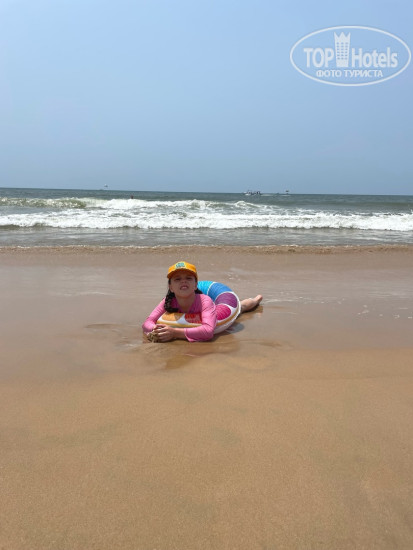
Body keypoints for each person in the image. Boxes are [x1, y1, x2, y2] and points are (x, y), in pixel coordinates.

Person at [142, 261, 262, 343]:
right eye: (177, 279)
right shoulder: (167, 301)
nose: (183, 281)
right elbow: (147, 322)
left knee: (241, 307)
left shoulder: (205, 300)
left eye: (188, 278)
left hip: (223, 301)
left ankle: (255, 300)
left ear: (195, 285)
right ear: (171, 287)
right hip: (200, 313)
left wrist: (174, 333)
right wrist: (156, 330)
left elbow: (208, 331)